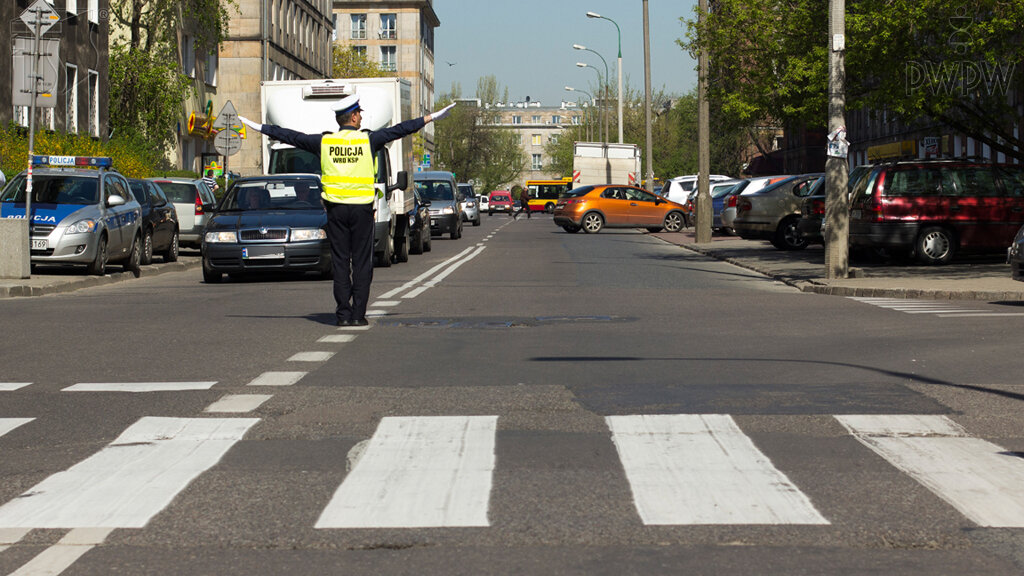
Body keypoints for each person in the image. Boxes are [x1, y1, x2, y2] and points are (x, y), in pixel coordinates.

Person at [239, 96, 456, 326]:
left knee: (341, 262)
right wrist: (430, 117)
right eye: (359, 113)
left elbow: (291, 136)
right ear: (352, 117)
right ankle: (358, 315)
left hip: (336, 211)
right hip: (361, 210)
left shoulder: (324, 142)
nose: (361, 116)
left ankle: (343, 315)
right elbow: (400, 130)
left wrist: (260, 127)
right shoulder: (368, 140)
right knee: (362, 263)